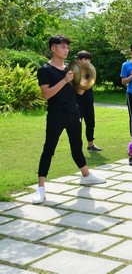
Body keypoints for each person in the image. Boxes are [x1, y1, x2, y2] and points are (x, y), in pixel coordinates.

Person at [33, 35, 106, 204]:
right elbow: (46, 94)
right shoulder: (45, 70)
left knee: (77, 146)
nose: (66, 50)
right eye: (63, 47)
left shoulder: (71, 68)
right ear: (53, 48)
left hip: (73, 112)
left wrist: (86, 81)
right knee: (49, 149)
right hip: (56, 114)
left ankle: (86, 175)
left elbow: (78, 93)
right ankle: (41, 188)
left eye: (67, 47)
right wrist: (64, 80)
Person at [75, 51, 102, 152]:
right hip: (78, 101)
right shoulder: (75, 71)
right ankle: (77, 146)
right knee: (77, 124)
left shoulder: (90, 71)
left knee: (91, 123)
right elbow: (78, 90)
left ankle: (90, 145)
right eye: (85, 59)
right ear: (79, 60)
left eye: (89, 59)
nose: (87, 61)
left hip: (89, 101)